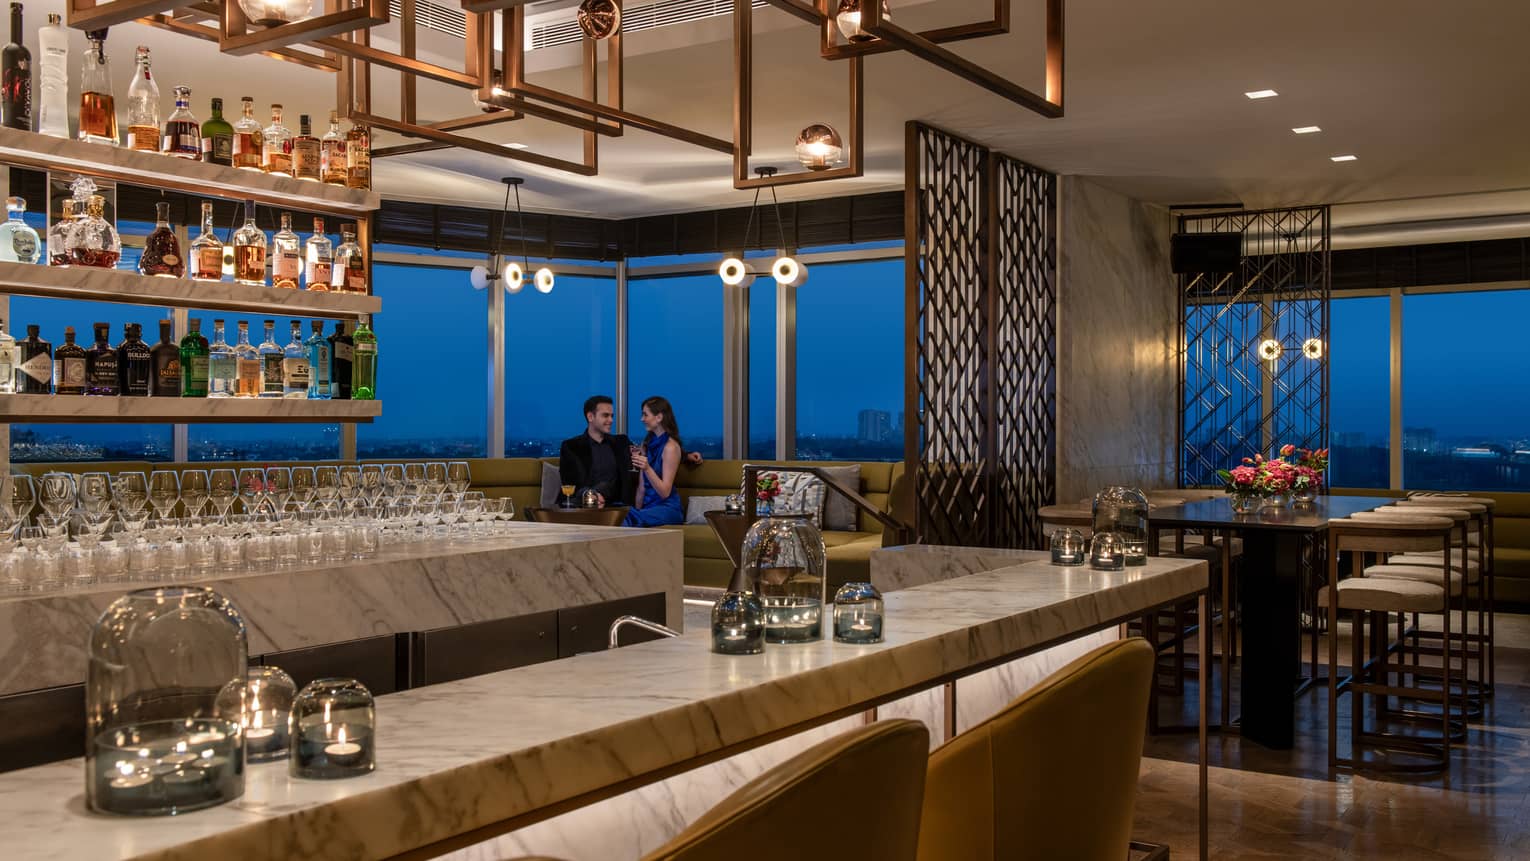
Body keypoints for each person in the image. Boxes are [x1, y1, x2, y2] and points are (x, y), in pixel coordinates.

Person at [558, 395, 636, 507]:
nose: (611, 420)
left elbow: (635, 471)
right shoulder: (571, 446)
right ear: (590, 417)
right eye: (605, 415)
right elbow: (569, 482)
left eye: (612, 416)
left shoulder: (622, 443)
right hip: (584, 504)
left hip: (615, 505)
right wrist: (591, 495)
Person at [624, 395, 685, 528]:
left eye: (645, 415)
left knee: (627, 518)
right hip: (648, 508)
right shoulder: (647, 445)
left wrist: (647, 468)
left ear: (659, 417)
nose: (642, 419)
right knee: (621, 514)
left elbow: (665, 492)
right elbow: (641, 488)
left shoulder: (671, 447)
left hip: (667, 509)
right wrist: (637, 510)